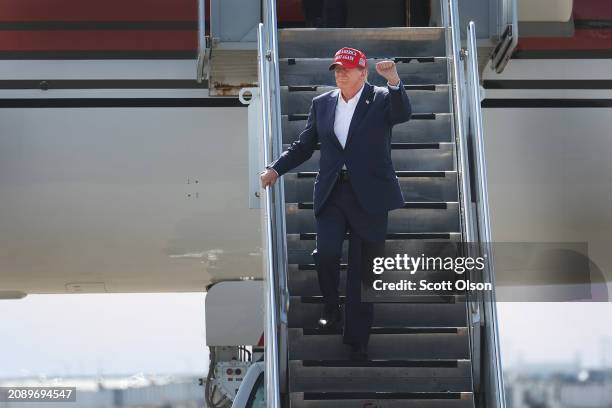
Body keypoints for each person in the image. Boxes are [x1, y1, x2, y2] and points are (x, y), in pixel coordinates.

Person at [260, 47, 412, 360]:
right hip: (333, 193)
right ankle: (332, 304)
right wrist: (276, 168)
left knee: (363, 273)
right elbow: (303, 146)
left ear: (363, 73)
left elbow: (402, 114)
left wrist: (394, 80)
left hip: (370, 197)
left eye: (346, 69)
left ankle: (357, 342)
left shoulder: (382, 98)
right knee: (326, 254)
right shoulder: (322, 103)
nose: (340, 73)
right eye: (336, 69)